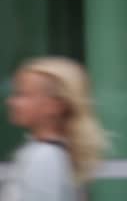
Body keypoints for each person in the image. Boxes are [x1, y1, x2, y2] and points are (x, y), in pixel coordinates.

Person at [0, 56, 108, 201]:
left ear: (54, 105)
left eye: (22, 94)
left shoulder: (43, 156)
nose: (11, 102)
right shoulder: (58, 153)